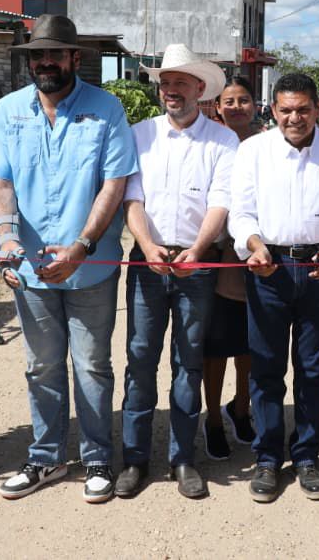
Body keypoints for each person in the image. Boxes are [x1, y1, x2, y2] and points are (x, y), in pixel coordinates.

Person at [0, 14, 138, 504]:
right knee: (41, 367)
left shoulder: (106, 109)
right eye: (38, 55)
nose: (45, 62)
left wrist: (83, 245)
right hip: (30, 269)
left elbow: (114, 185)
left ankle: (97, 458)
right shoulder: (8, 111)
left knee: (91, 365)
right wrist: (5, 238)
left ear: (75, 58)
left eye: (55, 53)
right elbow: (2, 183)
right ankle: (46, 456)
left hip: (91, 265)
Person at [229, 72, 319, 503]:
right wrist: (253, 246)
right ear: (273, 110)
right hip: (268, 269)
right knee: (266, 368)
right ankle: (267, 457)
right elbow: (240, 213)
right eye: (285, 110)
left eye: (303, 109)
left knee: (311, 367)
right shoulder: (252, 151)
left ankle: (306, 455)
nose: (294, 118)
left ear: (318, 108)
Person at [117, 44, 236, 501]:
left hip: (196, 265)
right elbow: (133, 199)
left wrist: (197, 250)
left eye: (180, 83)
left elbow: (220, 203)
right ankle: (134, 459)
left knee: (188, 363)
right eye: (165, 82)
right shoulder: (140, 134)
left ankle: (183, 458)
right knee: (140, 359)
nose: (170, 90)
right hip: (147, 262)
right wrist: (148, 246)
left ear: (199, 88)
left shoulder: (222, 141)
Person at [201, 77, 259, 460]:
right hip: (219, 256)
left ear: (255, 104)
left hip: (259, 255)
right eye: (229, 101)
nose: (237, 106)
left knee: (252, 343)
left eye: (244, 100)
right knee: (217, 343)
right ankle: (212, 419)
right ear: (218, 107)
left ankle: (241, 407)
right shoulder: (213, 144)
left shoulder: (268, 143)